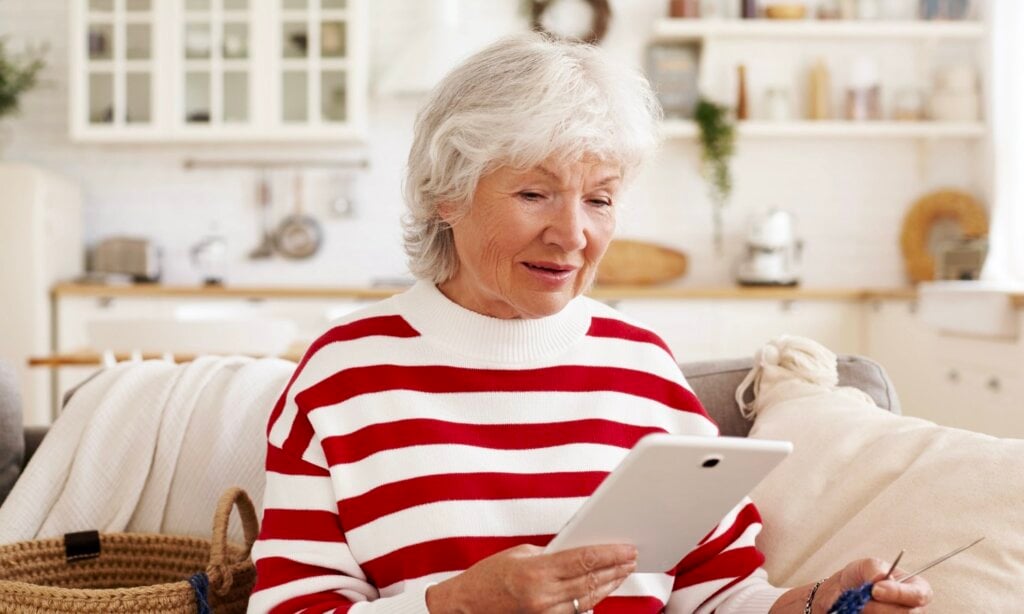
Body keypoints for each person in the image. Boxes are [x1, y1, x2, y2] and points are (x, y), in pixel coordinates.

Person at [248, 33, 932, 614]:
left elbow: (720, 596)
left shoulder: (641, 368)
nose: (572, 235)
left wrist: (821, 602)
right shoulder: (343, 376)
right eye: (534, 193)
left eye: (600, 199)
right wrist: (455, 602)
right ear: (444, 194)